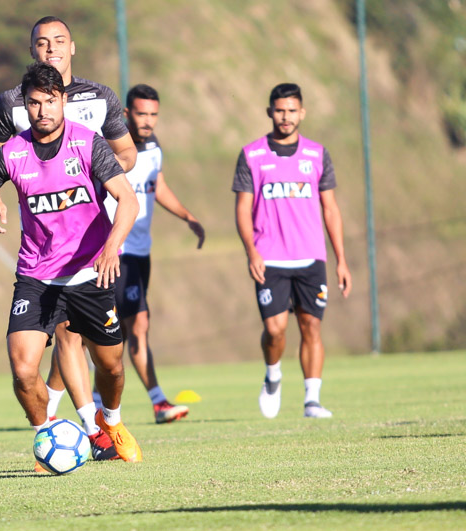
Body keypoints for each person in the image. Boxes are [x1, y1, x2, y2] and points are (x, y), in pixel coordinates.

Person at [0, 61, 142, 463]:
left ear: (63, 100)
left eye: (50, 101)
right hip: (37, 276)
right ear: (25, 107)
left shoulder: (87, 144)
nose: (43, 110)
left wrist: (112, 245)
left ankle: (111, 422)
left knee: (112, 368)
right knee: (23, 369)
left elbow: (128, 199)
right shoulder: (12, 153)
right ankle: (46, 437)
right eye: (34, 103)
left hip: (89, 272)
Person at [232, 83, 351, 419]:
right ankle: (273, 376)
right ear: (270, 111)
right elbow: (243, 209)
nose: (286, 117)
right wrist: (251, 251)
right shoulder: (252, 155)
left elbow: (330, 209)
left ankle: (312, 399)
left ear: (302, 113)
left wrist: (341, 260)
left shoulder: (317, 154)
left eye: (292, 110)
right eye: (280, 110)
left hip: (311, 257)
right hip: (269, 257)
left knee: (311, 326)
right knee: (275, 330)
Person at [101, 84, 205, 424]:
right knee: (127, 326)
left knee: (120, 331)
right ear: (126, 114)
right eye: (141, 114)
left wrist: (187, 216)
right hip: (117, 250)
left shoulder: (154, 147)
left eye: (153, 115)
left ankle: (96, 398)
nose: (148, 121)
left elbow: (156, 185)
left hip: (140, 254)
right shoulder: (108, 148)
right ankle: (157, 402)